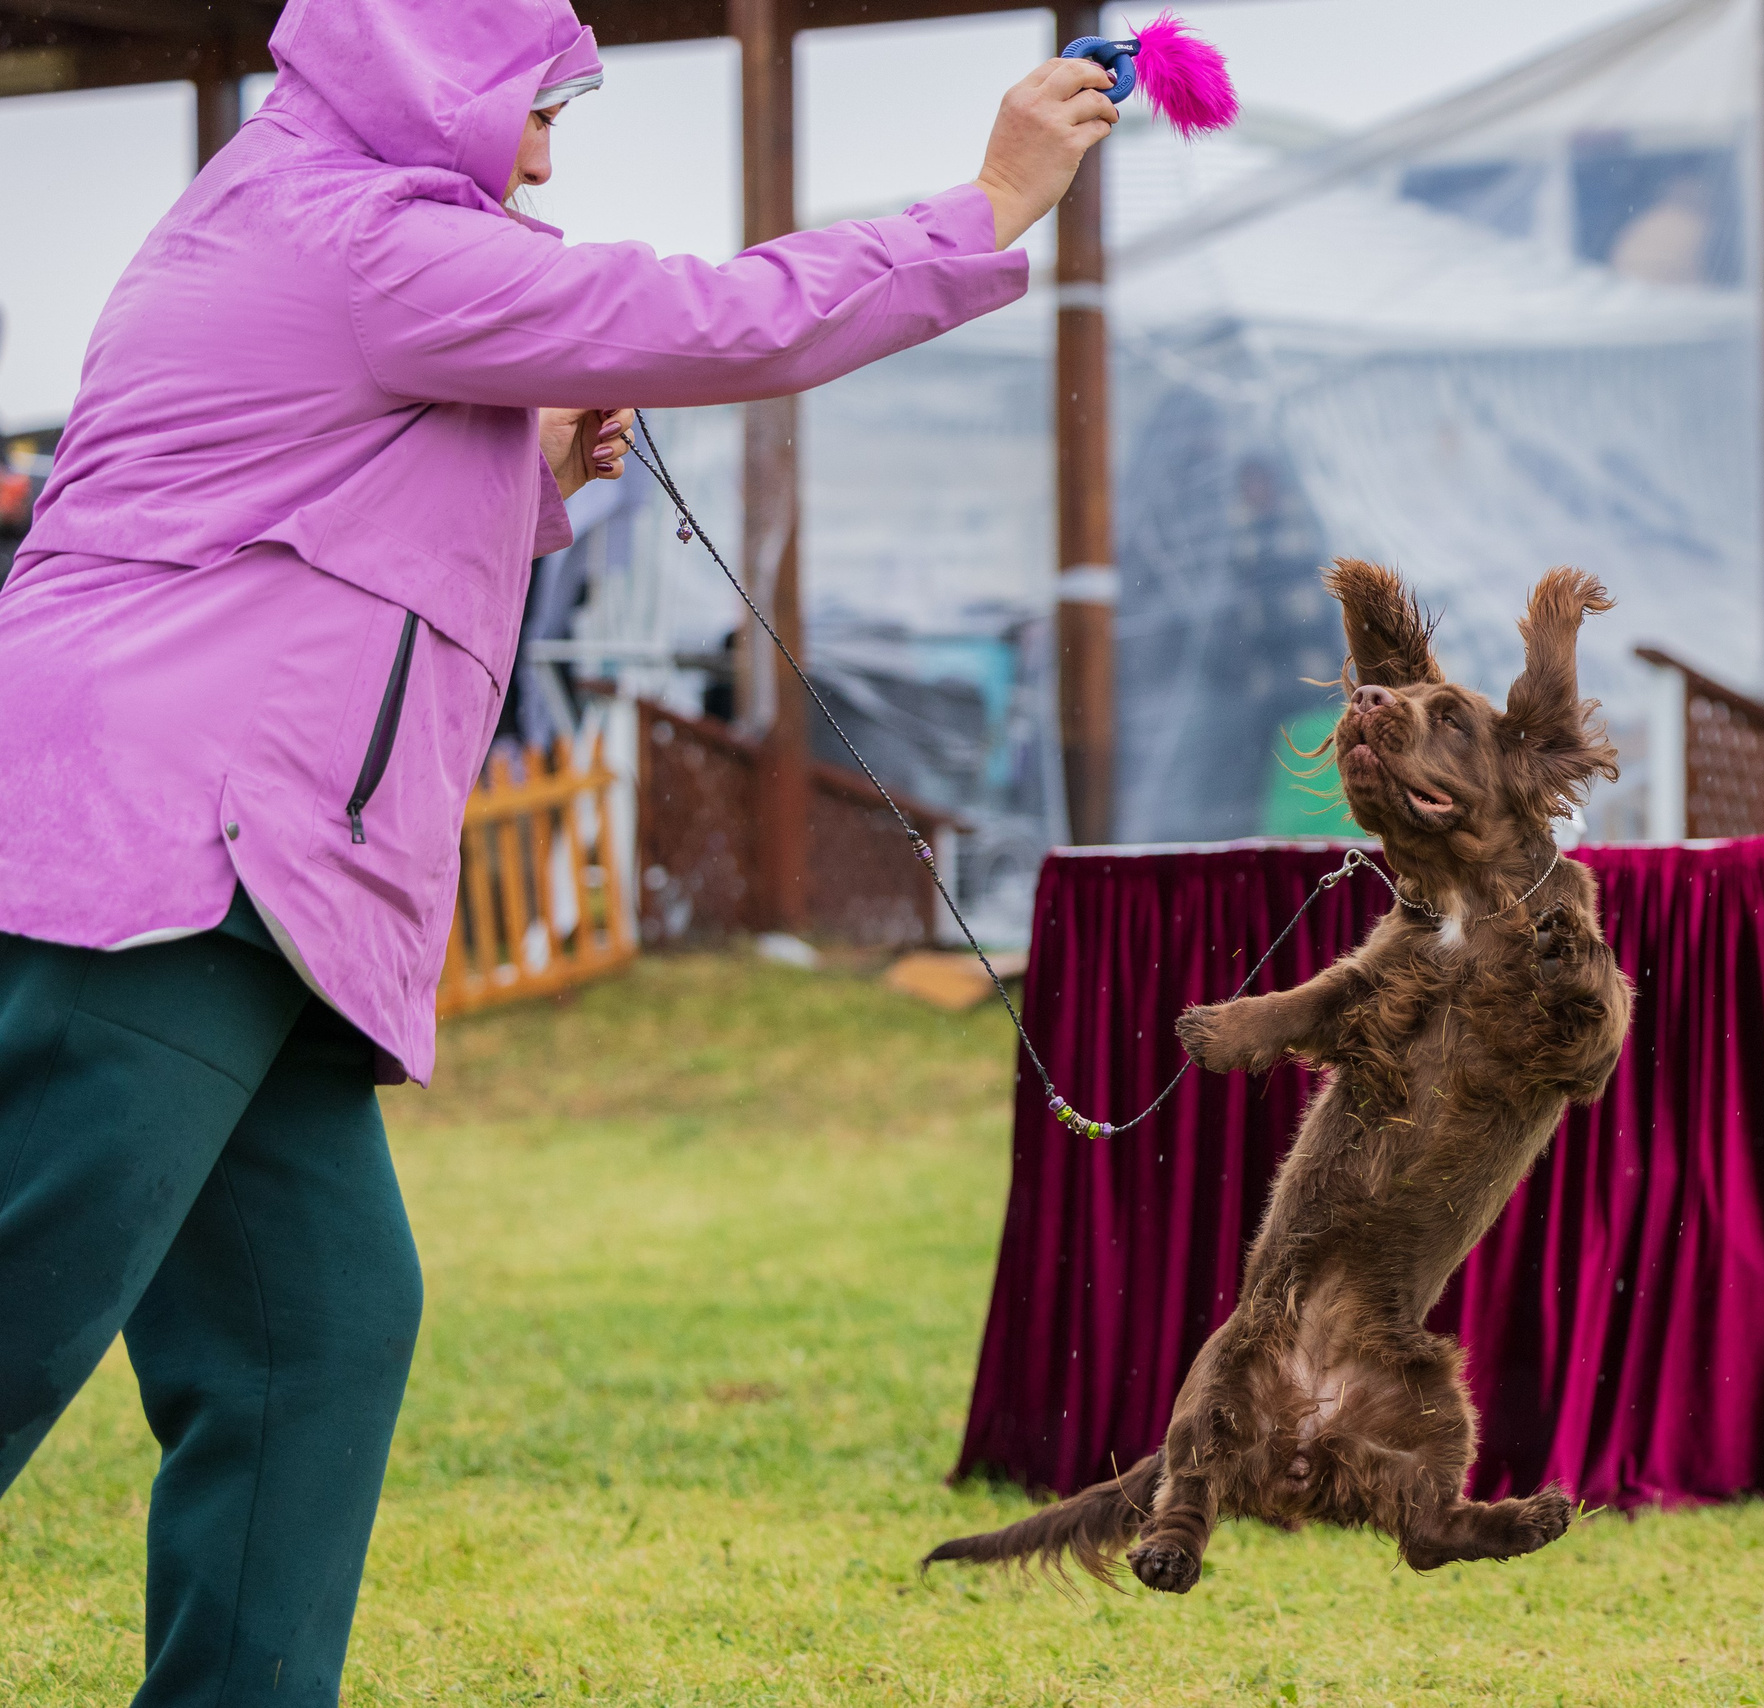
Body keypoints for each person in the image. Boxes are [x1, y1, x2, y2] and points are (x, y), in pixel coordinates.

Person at [0, 0, 1115, 1699]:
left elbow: (313, 527)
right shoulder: (364, 233)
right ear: (436, 76)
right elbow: (717, 318)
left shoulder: (300, 219)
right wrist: (983, 204)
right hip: (162, 856)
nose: (545, 143)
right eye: (536, 100)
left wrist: (523, 468)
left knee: (318, 1332)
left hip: (260, 891)